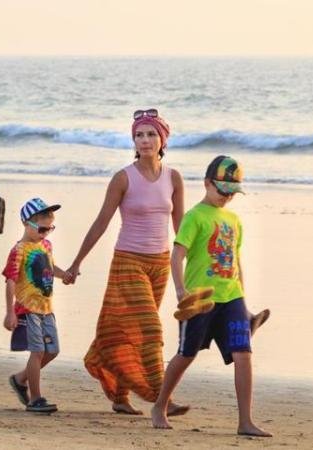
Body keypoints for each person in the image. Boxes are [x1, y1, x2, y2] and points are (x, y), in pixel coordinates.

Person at [65, 109, 190, 416]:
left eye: (150, 134)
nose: (145, 140)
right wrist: (76, 263)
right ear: (133, 140)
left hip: (159, 264)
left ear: (162, 139)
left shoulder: (173, 177)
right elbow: (101, 223)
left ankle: (120, 397)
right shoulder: (123, 178)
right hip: (128, 262)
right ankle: (161, 396)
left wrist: (197, 266)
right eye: (139, 134)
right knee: (150, 329)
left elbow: (182, 229)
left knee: (127, 331)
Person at [151, 155, 272, 437]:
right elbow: (177, 255)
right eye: (222, 190)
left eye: (232, 193)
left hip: (232, 297)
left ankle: (245, 421)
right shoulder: (194, 217)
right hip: (201, 299)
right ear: (207, 183)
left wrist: (243, 299)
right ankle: (160, 405)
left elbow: (235, 259)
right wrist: (181, 291)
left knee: (243, 354)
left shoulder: (234, 220)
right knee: (186, 353)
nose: (227, 197)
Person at [3, 198, 69, 413]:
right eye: (42, 229)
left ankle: (20, 379)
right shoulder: (19, 250)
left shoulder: (46, 245)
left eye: (50, 229)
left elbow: (50, 267)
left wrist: (64, 275)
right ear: (26, 223)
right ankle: (35, 398)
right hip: (27, 308)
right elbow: (11, 280)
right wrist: (9, 312)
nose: (46, 233)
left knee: (52, 350)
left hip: (47, 308)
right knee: (38, 351)